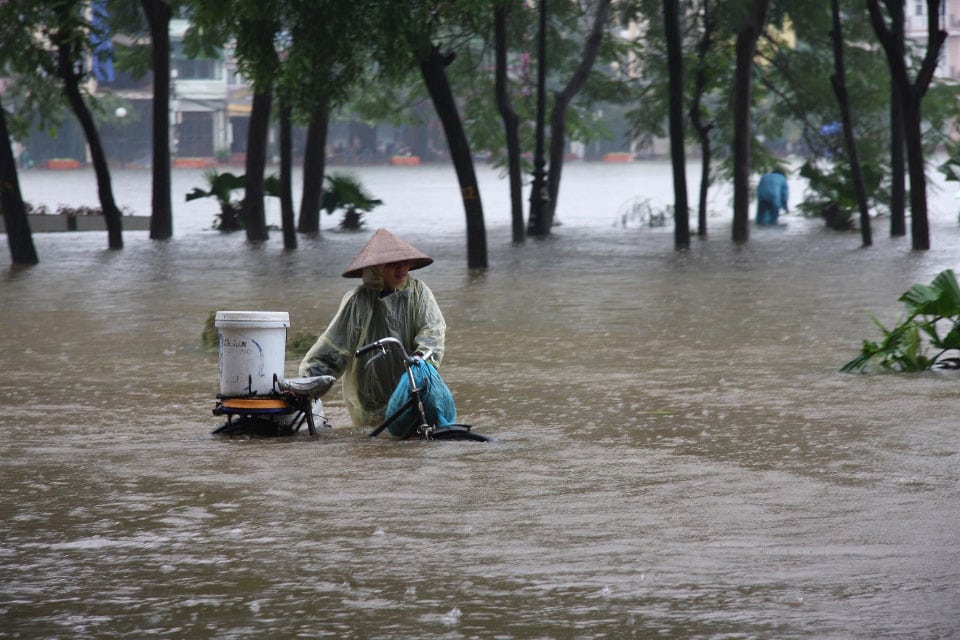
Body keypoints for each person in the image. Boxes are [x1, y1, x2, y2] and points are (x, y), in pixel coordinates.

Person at [298, 228, 446, 427]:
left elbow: (432, 330)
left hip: (411, 382)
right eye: (393, 265)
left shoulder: (418, 293)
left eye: (405, 264)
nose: (402, 270)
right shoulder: (358, 302)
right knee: (377, 442)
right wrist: (307, 384)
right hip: (369, 394)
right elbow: (334, 350)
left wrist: (421, 356)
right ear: (377, 269)